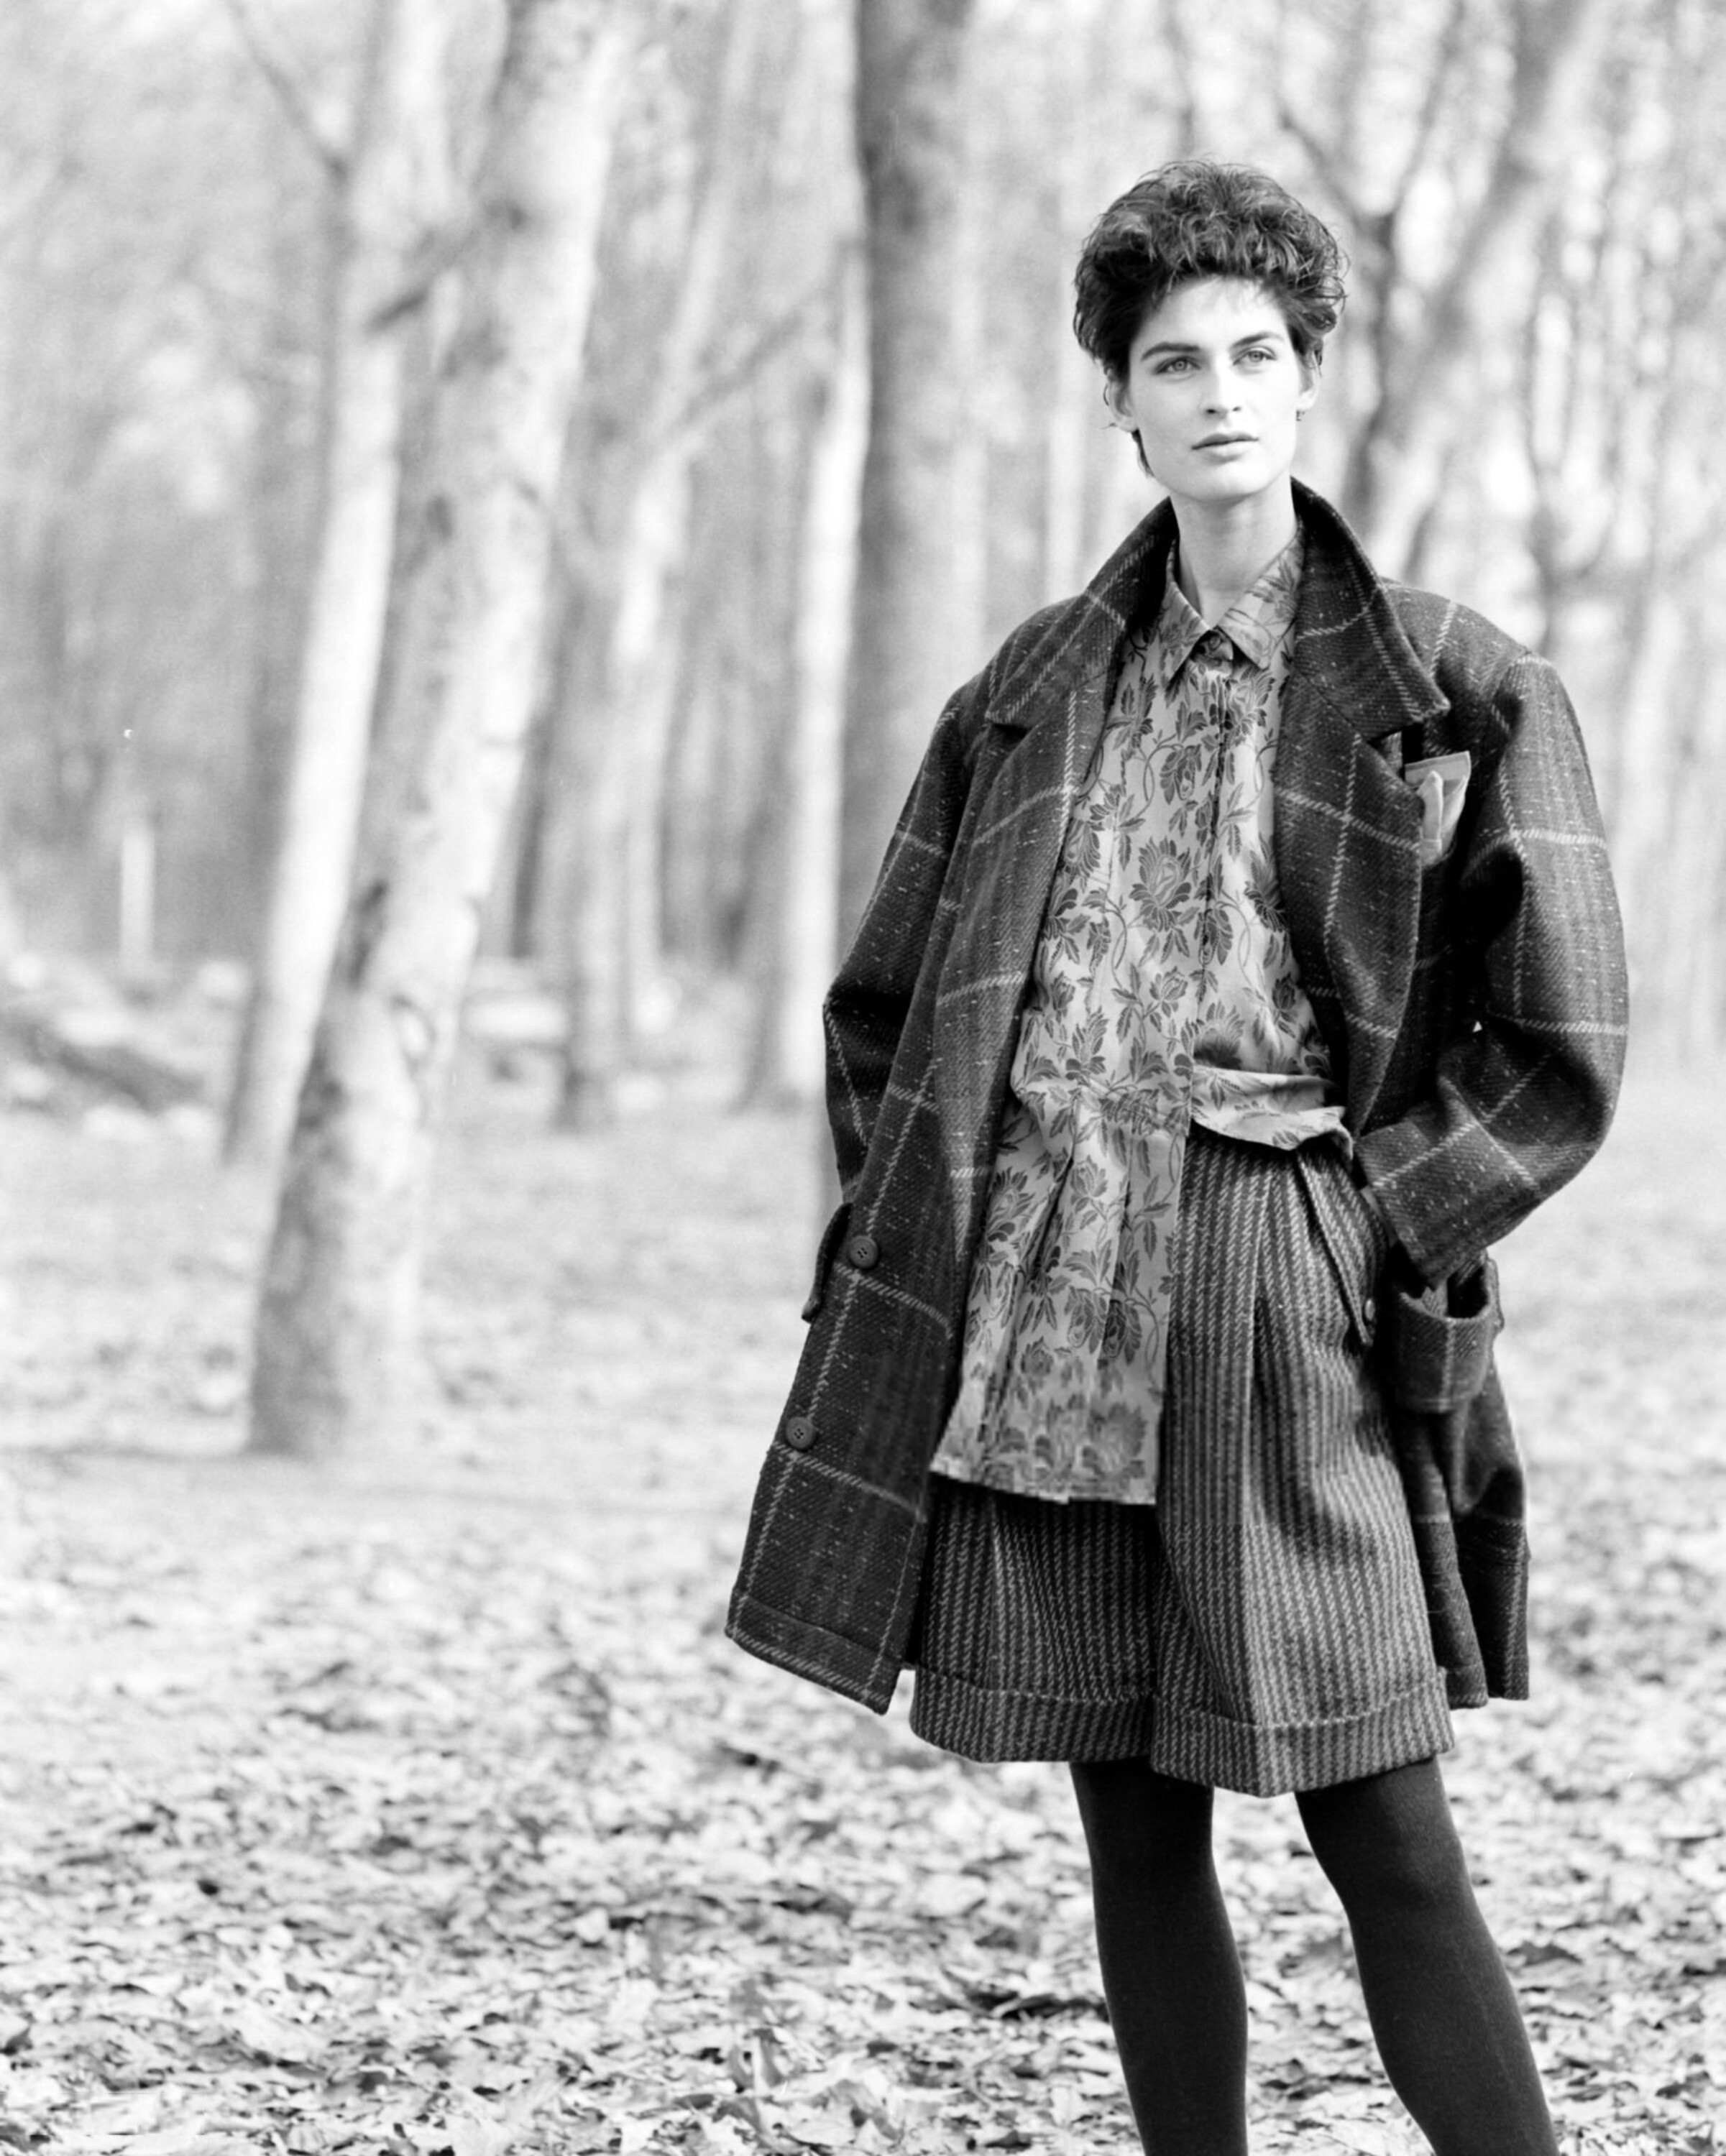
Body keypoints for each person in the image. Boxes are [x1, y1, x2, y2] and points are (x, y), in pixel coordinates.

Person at [727, 160, 1628, 2155]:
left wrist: (1358, 1224)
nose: (1218, 393)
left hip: (1278, 1291)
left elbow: (1559, 1051)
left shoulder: (1455, 684)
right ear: (1121, 404)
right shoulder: (1030, 688)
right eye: (1172, 362)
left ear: (1306, 378)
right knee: (1132, 1827)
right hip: (1042, 1313)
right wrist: (928, 1228)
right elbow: (884, 1012)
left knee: (1383, 1825)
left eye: (1253, 354)